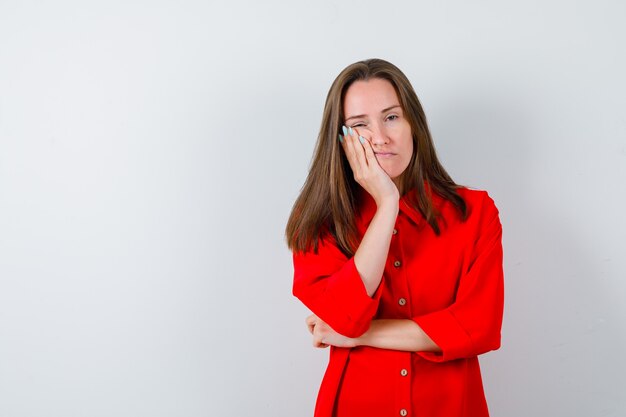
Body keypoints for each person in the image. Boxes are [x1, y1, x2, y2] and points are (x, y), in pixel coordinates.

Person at [285, 58, 504, 417]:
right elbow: (345, 317)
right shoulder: (318, 221)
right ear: (340, 140)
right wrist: (387, 202)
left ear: (413, 123)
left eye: (391, 117)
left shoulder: (474, 212)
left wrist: (361, 335)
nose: (380, 137)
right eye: (359, 124)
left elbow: (478, 329)